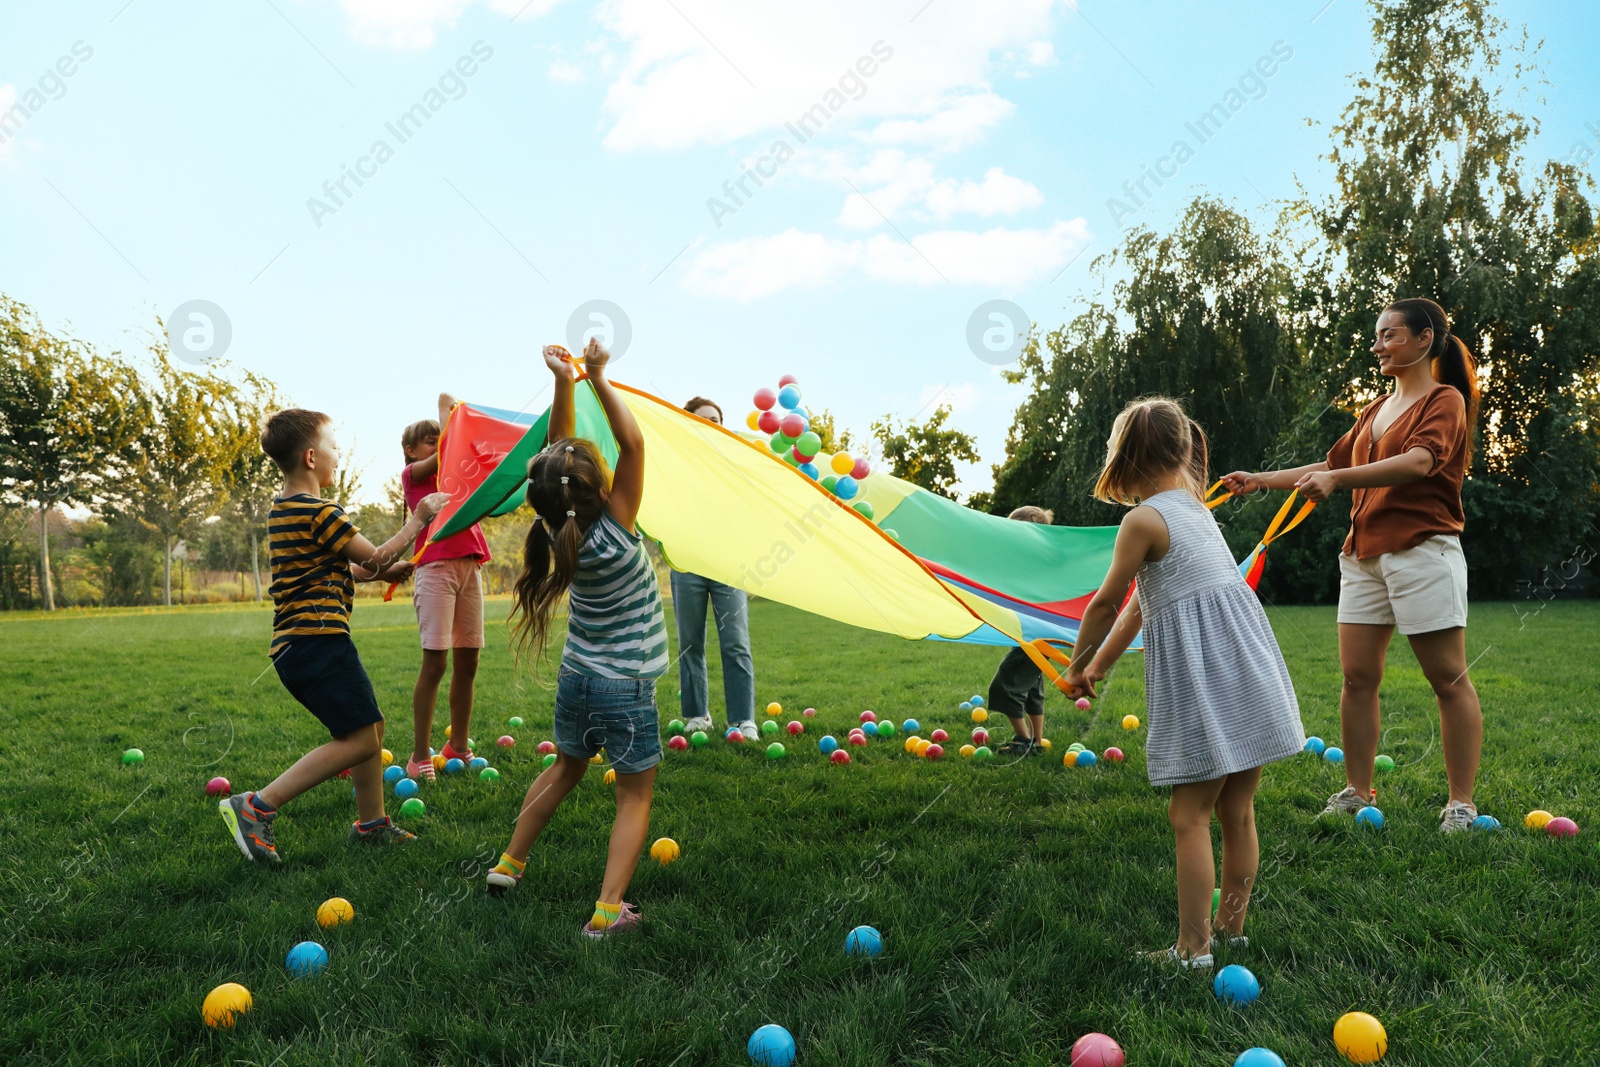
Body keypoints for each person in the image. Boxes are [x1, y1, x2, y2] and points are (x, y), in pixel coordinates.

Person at [1222, 297, 1484, 832]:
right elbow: (1334, 464)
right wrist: (1261, 479)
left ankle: (1461, 803)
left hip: (1422, 550)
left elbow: (1419, 462)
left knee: (1447, 678)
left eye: (1389, 335)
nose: (1378, 345)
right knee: (1357, 678)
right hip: (1362, 555)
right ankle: (1357, 790)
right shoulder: (1373, 410)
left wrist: (1339, 481)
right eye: (1378, 335)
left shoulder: (1445, 400)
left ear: (1423, 339)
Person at [1066, 399, 1305, 969]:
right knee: (1238, 811)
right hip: (1250, 671)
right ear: (1182, 450)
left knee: (1188, 816)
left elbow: (1104, 605)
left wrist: (1076, 663)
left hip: (1208, 680)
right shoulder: (1196, 512)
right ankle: (1231, 931)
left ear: (1124, 458)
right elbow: (1142, 607)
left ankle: (1193, 951)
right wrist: (1101, 665)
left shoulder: (1143, 520)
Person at [484, 339, 668, 938]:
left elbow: (553, 460)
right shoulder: (617, 527)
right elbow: (633, 443)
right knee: (634, 796)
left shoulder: (553, 529)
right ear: (595, 489)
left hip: (576, 682)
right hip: (626, 688)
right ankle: (608, 912)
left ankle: (510, 863)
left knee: (565, 768)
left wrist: (566, 381)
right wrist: (597, 376)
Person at [218, 408, 449, 863]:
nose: (338, 457)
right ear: (310, 457)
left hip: (301, 645)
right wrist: (419, 517)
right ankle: (256, 806)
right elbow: (378, 555)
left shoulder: (286, 511)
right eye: (333, 448)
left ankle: (371, 825)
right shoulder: (319, 511)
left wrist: (377, 573)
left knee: (371, 726)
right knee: (362, 739)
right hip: (317, 641)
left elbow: (344, 567)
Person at [398, 394, 491, 783]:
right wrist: (448, 417)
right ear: (410, 451)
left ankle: (458, 745)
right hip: (435, 569)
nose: (438, 443)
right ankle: (419, 755)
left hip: (470, 566)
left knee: (468, 661)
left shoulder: (457, 472)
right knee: (435, 663)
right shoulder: (413, 477)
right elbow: (444, 454)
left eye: (440, 436)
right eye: (429, 440)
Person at [672, 396, 758, 741]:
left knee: (735, 641)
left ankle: (742, 720)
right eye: (704, 419)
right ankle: (696, 715)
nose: (712, 424)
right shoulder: (675, 465)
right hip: (687, 561)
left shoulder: (732, 462)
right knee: (690, 643)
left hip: (727, 563)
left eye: (717, 420)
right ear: (690, 422)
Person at [988, 505, 1058, 756]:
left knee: (1004, 683)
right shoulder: (1041, 561)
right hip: (1039, 634)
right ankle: (1036, 742)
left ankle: (1022, 740)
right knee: (1032, 689)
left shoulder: (1035, 562)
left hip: (1035, 636)